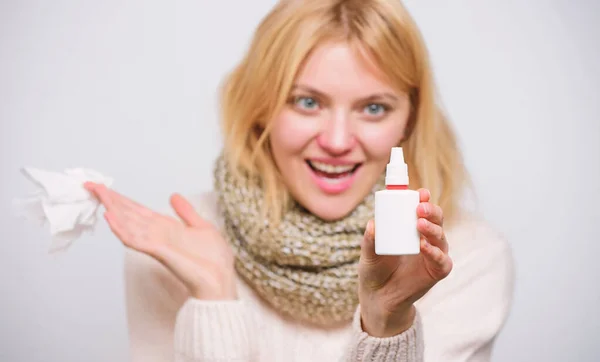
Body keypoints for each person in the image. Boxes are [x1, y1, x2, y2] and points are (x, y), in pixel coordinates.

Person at [85, 0, 515, 361]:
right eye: (307, 102)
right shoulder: (173, 249)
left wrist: (388, 323)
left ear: (409, 121)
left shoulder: (463, 260)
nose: (337, 141)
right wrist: (214, 295)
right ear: (260, 108)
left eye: (374, 108)